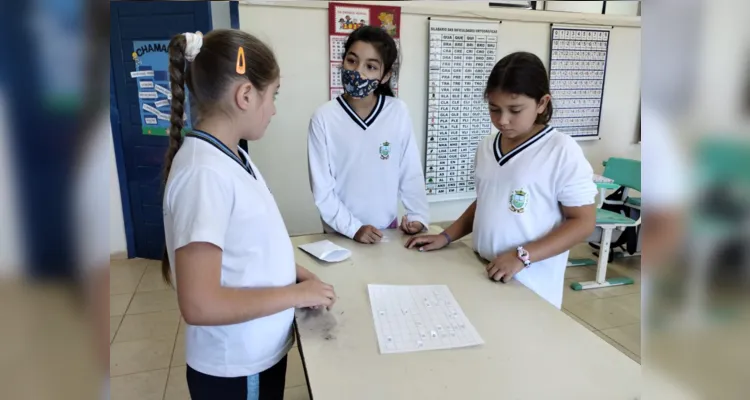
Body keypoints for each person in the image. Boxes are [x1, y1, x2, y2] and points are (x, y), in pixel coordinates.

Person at [161, 30, 337, 399]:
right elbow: (199, 304)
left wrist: (294, 275)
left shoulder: (232, 156)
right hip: (236, 369)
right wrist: (293, 295)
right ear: (245, 95)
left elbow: (247, 248)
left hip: (253, 358)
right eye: (273, 96)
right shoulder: (204, 174)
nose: (273, 108)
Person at [406, 52, 597, 309]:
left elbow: (583, 222)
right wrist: (446, 236)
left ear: (542, 103)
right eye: (494, 109)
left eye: (515, 110)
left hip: (530, 283)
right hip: (482, 270)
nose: (502, 120)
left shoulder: (561, 150)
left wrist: (523, 256)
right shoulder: (488, 146)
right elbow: (487, 200)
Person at [308, 25, 429, 244]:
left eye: (371, 66)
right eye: (352, 61)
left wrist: (418, 216)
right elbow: (322, 190)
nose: (358, 72)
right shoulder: (323, 118)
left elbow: (410, 171)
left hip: (386, 233)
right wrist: (354, 228)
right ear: (342, 61)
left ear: (385, 76)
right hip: (340, 233)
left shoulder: (397, 112)